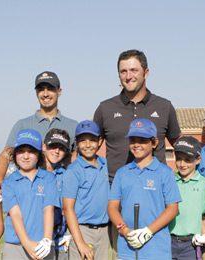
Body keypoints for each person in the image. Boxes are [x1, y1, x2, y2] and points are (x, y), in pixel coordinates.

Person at [93, 49, 182, 184]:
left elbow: (180, 145)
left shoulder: (164, 107)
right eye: (123, 71)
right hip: (116, 192)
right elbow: (89, 146)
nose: (128, 76)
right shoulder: (105, 109)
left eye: (134, 70)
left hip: (155, 189)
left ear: (146, 73)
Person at [0, 71, 78, 193]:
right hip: (29, 192)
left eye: (50, 89)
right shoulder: (23, 124)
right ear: (36, 93)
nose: (46, 93)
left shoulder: (73, 125)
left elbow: (79, 157)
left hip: (61, 192)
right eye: (41, 89)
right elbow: (6, 155)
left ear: (59, 92)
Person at [108, 118, 181, 260]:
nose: (136, 145)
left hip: (157, 249)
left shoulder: (164, 172)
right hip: (127, 248)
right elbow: (112, 207)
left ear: (154, 143)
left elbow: (172, 209)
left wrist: (148, 231)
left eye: (142, 140)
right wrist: (124, 230)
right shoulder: (122, 173)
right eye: (132, 140)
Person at [1, 129, 58, 260]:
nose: (26, 156)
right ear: (15, 154)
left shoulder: (49, 178)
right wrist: (26, 243)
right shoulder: (8, 183)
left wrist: (47, 240)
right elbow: (15, 214)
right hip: (16, 246)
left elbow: (48, 209)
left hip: (43, 245)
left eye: (31, 151)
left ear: (39, 154)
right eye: (21, 151)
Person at [62, 120, 110, 260]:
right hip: (81, 230)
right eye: (83, 141)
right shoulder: (73, 171)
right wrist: (80, 242)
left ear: (100, 141)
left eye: (92, 140)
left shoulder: (106, 164)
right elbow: (68, 208)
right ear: (76, 141)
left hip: (104, 230)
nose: (88, 145)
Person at [168, 136, 205, 260]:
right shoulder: (169, 182)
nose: (182, 164)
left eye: (188, 160)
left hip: (191, 245)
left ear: (198, 160)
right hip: (167, 241)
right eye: (179, 159)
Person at [42, 129, 72, 260]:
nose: (56, 151)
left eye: (61, 148)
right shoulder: (33, 173)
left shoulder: (66, 175)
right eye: (52, 146)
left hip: (60, 238)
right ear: (44, 146)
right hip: (38, 236)